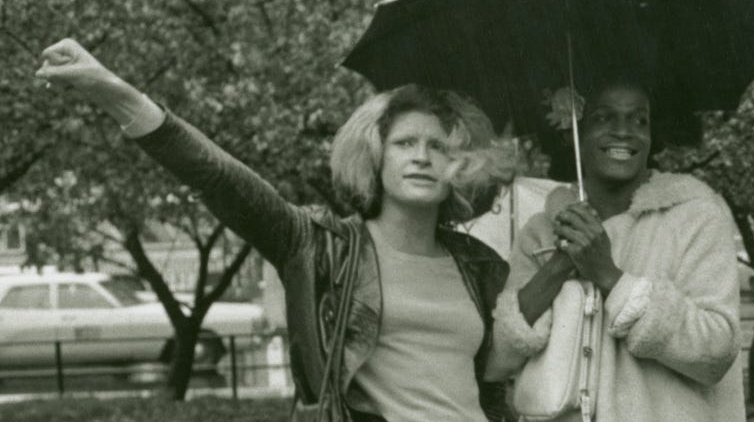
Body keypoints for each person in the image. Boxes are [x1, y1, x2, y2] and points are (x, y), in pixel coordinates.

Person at [37, 39, 517, 422]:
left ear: (457, 165)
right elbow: (219, 177)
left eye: (437, 146)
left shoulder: (480, 264)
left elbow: (500, 375)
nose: (421, 156)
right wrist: (113, 91)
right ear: (376, 155)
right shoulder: (320, 245)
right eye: (405, 142)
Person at [485, 77, 747, 421]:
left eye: (639, 120)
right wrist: (558, 266)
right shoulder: (539, 231)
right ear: (572, 132)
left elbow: (717, 350)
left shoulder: (696, 217)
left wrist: (609, 276)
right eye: (604, 117)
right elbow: (498, 361)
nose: (624, 131)